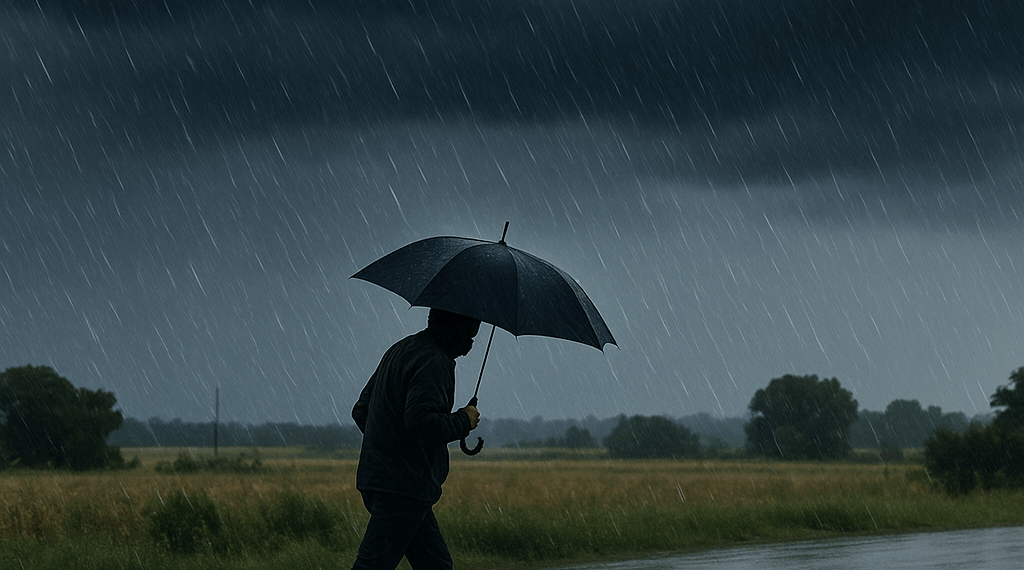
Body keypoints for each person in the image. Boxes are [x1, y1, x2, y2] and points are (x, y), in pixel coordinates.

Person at [350, 308, 482, 570]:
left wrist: (390, 447)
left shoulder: (401, 350)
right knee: (373, 566)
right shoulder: (435, 361)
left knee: (437, 565)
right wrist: (463, 421)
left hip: (382, 481)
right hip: (404, 487)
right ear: (457, 327)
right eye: (470, 328)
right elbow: (421, 423)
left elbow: (362, 410)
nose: (472, 338)